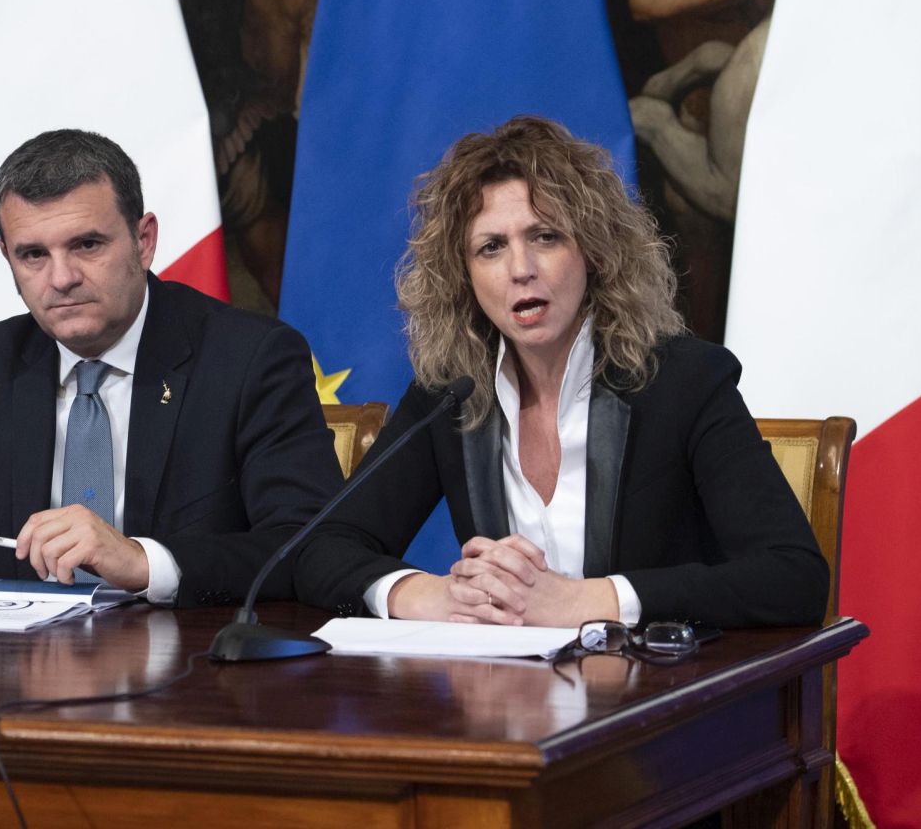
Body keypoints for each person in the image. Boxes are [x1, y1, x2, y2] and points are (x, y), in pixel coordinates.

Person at [291, 116, 827, 628]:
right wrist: (432, 595)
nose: (521, 269)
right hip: (506, 704)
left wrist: (590, 600)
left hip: (655, 698)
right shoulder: (450, 394)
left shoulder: (683, 383)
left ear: (594, 251)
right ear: (465, 278)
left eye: (545, 236)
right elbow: (322, 550)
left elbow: (792, 576)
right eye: (491, 247)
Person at [0, 129, 342, 607]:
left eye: (87, 245)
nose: (61, 279)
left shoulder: (249, 358)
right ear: (6, 257)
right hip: (15, 672)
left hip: (190, 668)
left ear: (144, 241)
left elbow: (308, 546)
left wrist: (143, 562)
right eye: (33, 254)